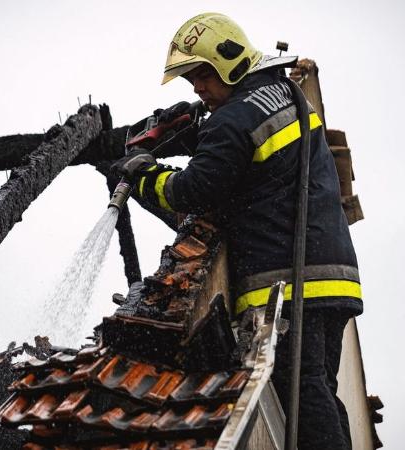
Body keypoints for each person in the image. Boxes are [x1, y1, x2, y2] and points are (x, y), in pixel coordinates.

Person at [113, 12, 362, 449]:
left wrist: (143, 175)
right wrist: (195, 131)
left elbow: (193, 189)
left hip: (289, 283)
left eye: (202, 75)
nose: (197, 88)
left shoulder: (233, 120)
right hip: (333, 275)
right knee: (320, 388)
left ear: (228, 61)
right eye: (191, 79)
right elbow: (249, 159)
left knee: (302, 395)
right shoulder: (280, 89)